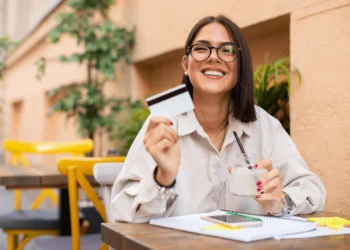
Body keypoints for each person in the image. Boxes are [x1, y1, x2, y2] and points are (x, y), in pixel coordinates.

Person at [111, 15, 326, 223]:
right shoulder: (163, 120)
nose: (214, 57)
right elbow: (120, 208)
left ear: (239, 66)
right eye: (202, 48)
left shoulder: (263, 125)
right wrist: (163, 180)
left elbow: (312, 189)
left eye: (227, 50)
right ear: (186, 65)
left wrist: (279, 202)